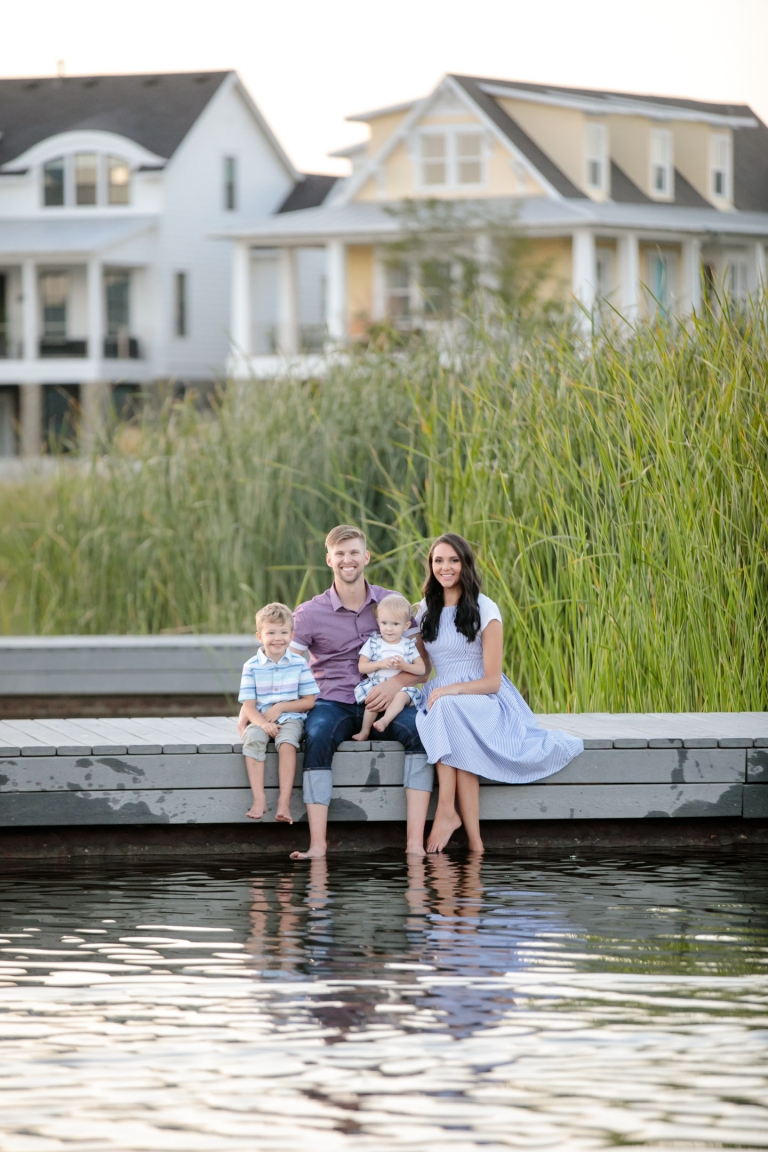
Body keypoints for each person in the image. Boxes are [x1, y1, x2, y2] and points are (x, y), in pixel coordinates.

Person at [238, 526, 433, 859]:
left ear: (366, 557)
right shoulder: (310, 613)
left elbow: (423, 666)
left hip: (386, 701)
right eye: (340, 554)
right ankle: (318, 845)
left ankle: (415, 844)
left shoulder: (392, 603)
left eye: (354, 552)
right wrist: (249, 712)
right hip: (333, 701)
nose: (348, 560)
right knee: (317, 734)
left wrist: (394, 684)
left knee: (421, 732)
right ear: (329, 559)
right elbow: (281, 663)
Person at [415, 533, 584, 854]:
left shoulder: (484, 607)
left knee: (447, 710)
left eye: (453, 560)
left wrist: (451, 690)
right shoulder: (425, 609)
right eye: (438, 560)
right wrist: (394, 684)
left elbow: (492, 681)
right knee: (453, 730)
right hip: (445, 700)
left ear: (465, 564)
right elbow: (422, 670)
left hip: (485, 699)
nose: (445, 567)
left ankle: (446, 810)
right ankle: (476, 844)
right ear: (431, 565)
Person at [239, 602, 320, 823]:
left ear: (292, 635)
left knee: (287, 743)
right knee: (254, 739)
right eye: (271, 632)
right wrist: (263, 725)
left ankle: (284, 801)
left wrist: (282, 707)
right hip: (260, 718)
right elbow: (248, 706)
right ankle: (259, 798)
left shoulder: (299, 664)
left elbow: (309, 701)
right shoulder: (251, 666)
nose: (278, 638)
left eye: (284, 632)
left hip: (291, 718)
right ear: (259, 636)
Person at [352, 593, 426, 742]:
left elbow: (422, 670)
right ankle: (365, 731)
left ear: (406, 625)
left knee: (401, 697)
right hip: (378, 683)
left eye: (395, 624)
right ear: (378, 622)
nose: (389, 629)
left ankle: (385, 720)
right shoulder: (374, 642)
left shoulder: (408, 645)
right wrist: (380, 664)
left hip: (401, 688)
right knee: (373, 700)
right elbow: (362, 667)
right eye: (384, 623)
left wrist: (405, 666)